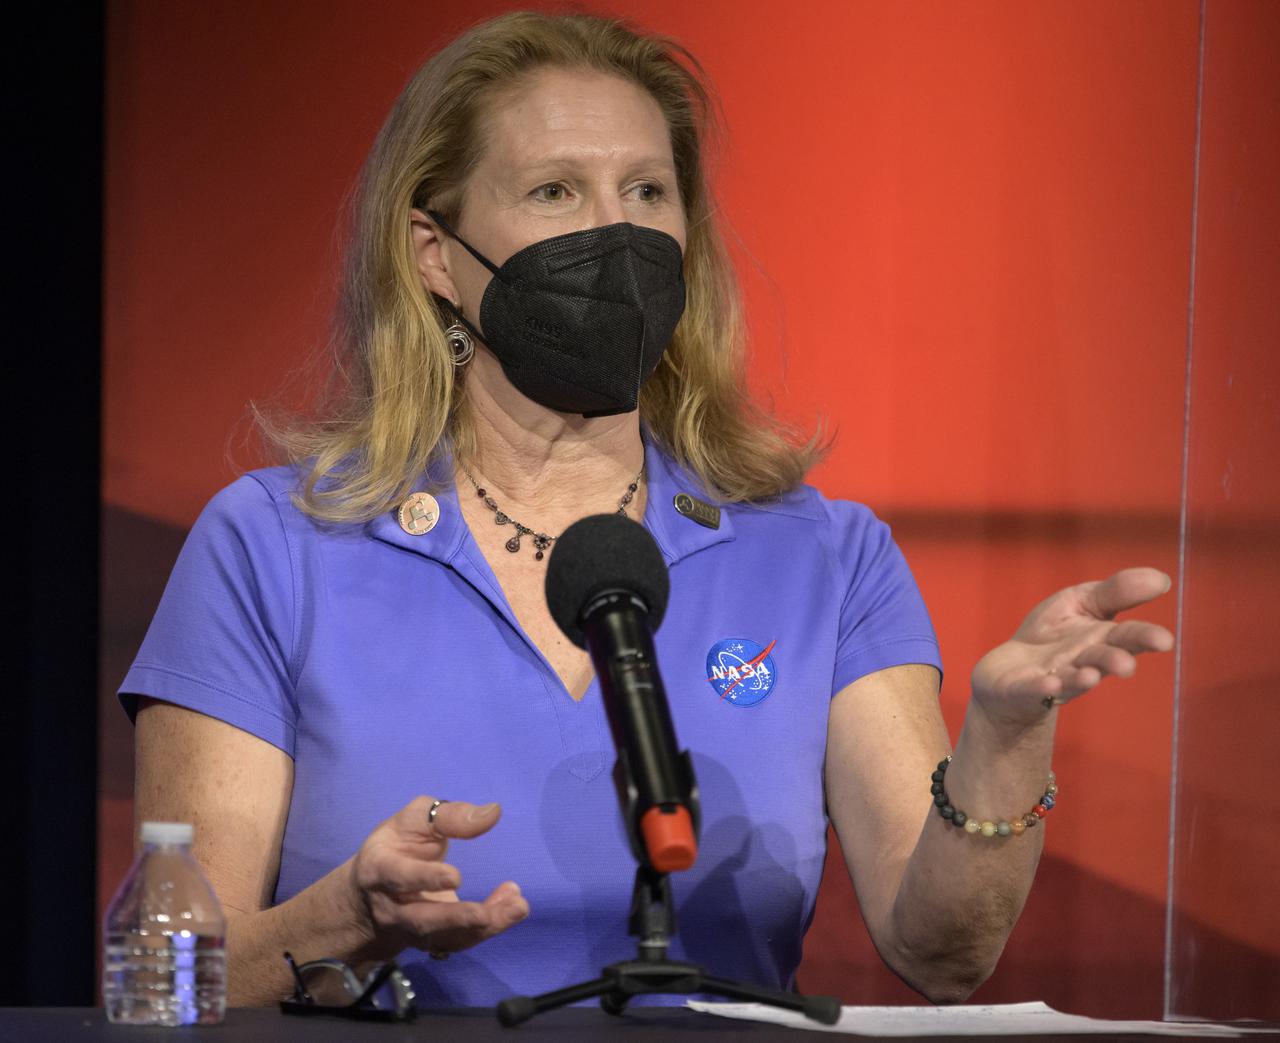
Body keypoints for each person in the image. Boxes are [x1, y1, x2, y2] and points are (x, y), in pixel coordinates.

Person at [122, 10, 1173, 1009]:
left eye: (645, 190)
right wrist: (344, 916)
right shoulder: (271, 545)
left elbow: (940, 950)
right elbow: (174, 969)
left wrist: (998, 737)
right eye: (552, 192)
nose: (613, 233)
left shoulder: (821, 557)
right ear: (432, 254)